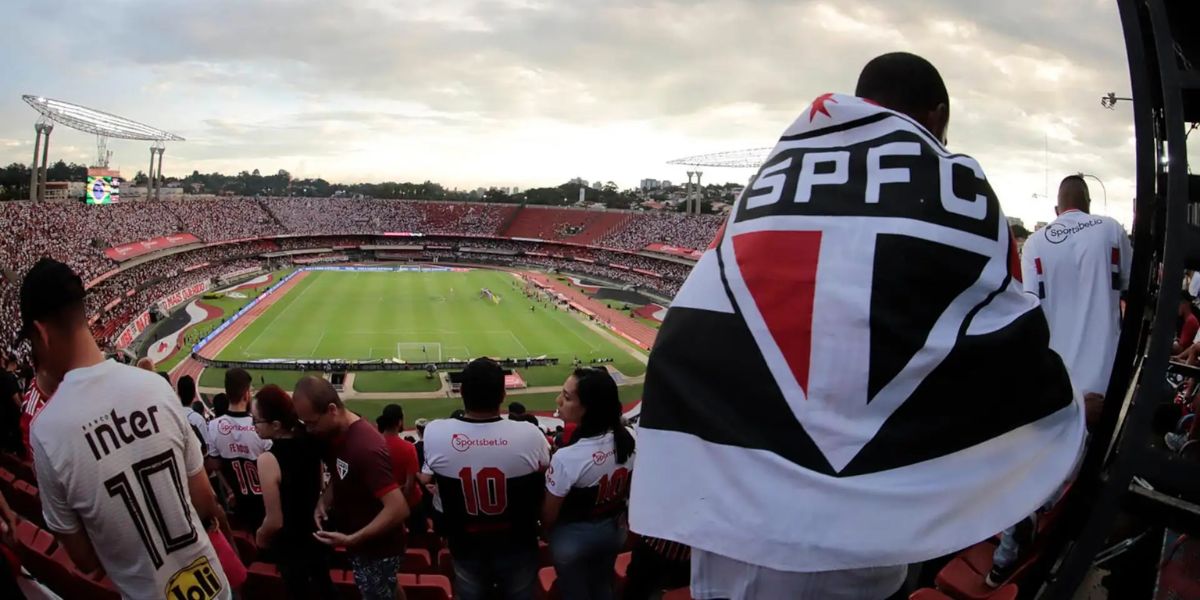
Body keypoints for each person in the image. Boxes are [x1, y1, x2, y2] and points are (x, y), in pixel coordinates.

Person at [630, 53, 1085, 600]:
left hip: (735, 510)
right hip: (867, 529)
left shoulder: (765, 186)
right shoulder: (956, 187)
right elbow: (999, 328)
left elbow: (706, 314)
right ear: (937, 115)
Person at [22, 258, 232, 599]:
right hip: (213, 586)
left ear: (41, 333)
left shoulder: (46, 431)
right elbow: (205, 501)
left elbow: (84, 559)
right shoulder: (156, 386)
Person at [419, 358, 550, 600]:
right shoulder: (531, 435)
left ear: (462, 392)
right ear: (503, 394)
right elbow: (547, 476)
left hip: (466, 545)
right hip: (518, 543)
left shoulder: (435, 432)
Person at [292, 376, 409, 600]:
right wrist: (324, 500)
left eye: (312, 422)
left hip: (377, 548)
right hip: (364, 543)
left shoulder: (366, 447)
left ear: (332, 409)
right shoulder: (336, 434)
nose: (308, 429)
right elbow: (342, 474)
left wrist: (352, 539)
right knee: (389, 587)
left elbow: (398, 508)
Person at [1021, 174, 1132, 398]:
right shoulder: (1111, 230)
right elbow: (1131, 285)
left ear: (1056, 209)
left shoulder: (1034, 243)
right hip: (1107, 375)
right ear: (1088, 203)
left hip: (1059, 381)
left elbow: (1029, 307)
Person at [543, 368, 636, 600]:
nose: (558, 401)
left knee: (575, 592)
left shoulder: (567, 458)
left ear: (588, 408)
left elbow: (549, 516)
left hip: (572, 540)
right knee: (603, 585)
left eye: (567, 397)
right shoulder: (630, 438)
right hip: (614, 531)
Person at [251, 384, 337, 600]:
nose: (254, 426)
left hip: (291, 546)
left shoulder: (268, 460)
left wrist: (260, 537)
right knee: (324, 586)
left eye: (256, 420)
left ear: (277, 425)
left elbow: (274, 521)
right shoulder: (311, 440)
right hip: (316, 535)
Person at [207, 368, 271, 531]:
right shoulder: (261, 428)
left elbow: (215, 465)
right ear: (246, 394)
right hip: (263, 504)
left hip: (237, 502)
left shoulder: (214, 427)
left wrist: (229, 489)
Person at [376, 403, 425, 532]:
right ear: (399, 422)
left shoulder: (373, 446)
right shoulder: (408, 448)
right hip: (410, 506)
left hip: (383, 505)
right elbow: (410, 485)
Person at [178, 375, 209, 455]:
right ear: (194, 395)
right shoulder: (198, 419)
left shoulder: (172, 416)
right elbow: (205, 448)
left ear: (178, 394)